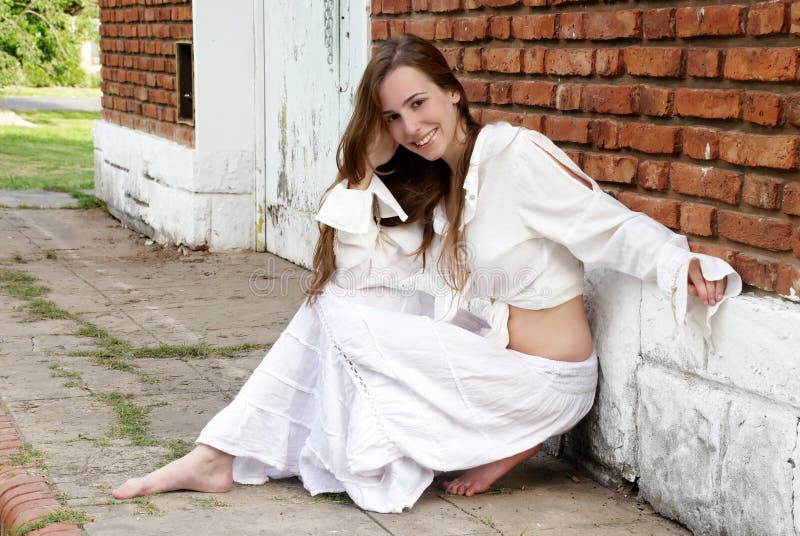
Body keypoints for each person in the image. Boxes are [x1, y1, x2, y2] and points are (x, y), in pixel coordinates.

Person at [112, 34, 741, 513]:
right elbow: (356, 277)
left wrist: (678, 260)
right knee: (333, 303)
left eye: (418, 104)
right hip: (496, 363)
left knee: (335, 315)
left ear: (453, 92)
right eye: (392, 118)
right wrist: (364, 169)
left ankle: (219, 455)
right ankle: (218, 454)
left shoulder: (512, 155)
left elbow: (603, 220)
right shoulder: (439, 188)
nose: (411, 128)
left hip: (546, 385)